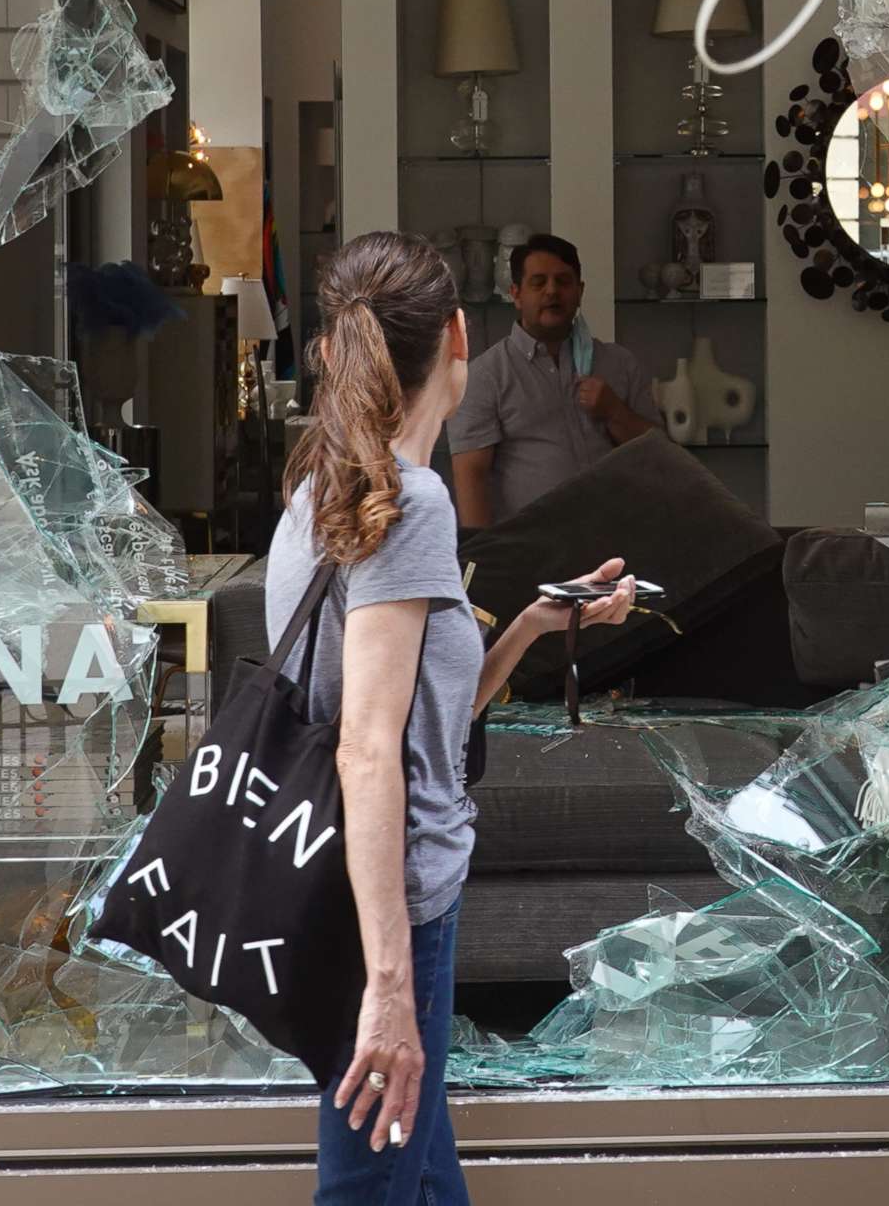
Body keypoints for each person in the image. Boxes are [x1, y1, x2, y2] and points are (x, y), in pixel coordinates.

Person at [271, 231, 636, 1204]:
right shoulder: (409, 501)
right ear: (461, 336)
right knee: (370, 1189)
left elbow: (415, 722)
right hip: (394, 904)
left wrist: (529, 625)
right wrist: (390, 982)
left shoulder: (324, 491)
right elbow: (366, 749)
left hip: (349, 888)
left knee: (426, 1187)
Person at [448, 232, 660, 528]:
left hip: (616, 539)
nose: (552, 292)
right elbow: (472, 478)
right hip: (531, 553)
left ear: (580, 291)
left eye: (563, 281)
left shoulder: (618, 363)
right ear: (516, 294)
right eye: (538, 282)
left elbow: (660, 457)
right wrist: (483, 561)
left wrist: (615, 412)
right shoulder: (485, 376)